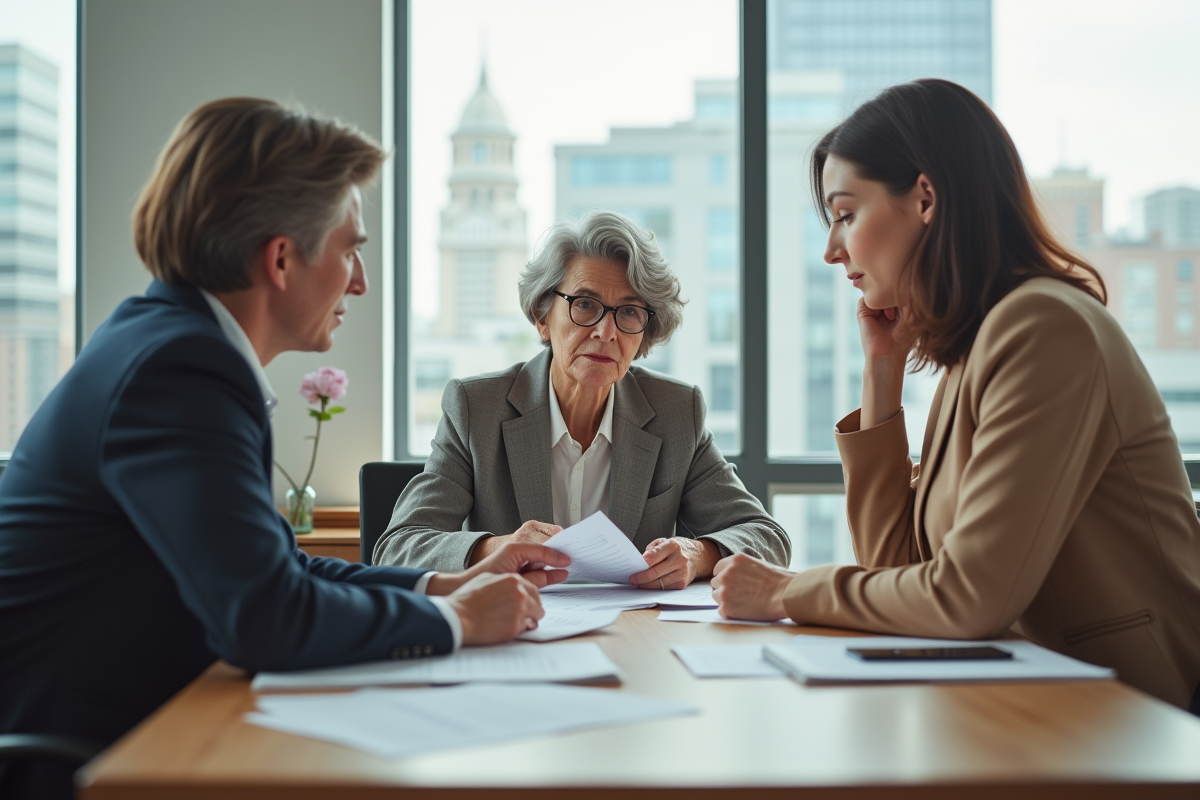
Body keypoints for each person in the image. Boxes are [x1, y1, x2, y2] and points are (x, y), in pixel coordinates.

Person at [0, 98, 570, 800]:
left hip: (145, 727)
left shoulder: (172, 344)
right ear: (280, 259)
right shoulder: (179, 369)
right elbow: (265, 620)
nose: (359, 282)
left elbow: (277, 571)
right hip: (87, 760)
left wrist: (438, 585)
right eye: (351, 250)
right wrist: (453, 622)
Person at [711, 79, 1200, 713]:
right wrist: (881, 376)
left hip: (1137, 717)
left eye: (845, 214)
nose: (833, 251)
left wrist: (786, 592)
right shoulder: (974, 352)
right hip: (1032, 703)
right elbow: (895, 569)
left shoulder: (1043, 329)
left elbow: (967, 599)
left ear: (925, 198)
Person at [376, 211, 790, 587]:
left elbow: (765, 535)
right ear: (542, 316)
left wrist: (698, 553)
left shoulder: (676, 412)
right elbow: (398, 548)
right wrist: (493, 550)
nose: (606, 333)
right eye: (585, 305)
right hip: (514, 633)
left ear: (645, 332)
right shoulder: (475, 408)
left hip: (636, 642)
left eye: (628, 313)